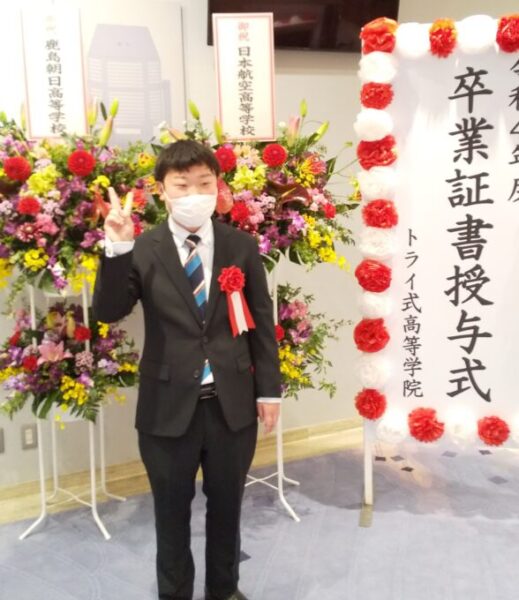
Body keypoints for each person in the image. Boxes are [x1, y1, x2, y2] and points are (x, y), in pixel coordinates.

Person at [92, 140, 282, 600]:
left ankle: (225, 589)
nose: (194, 193)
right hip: (166, 408)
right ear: (162, 191)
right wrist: (117, 247)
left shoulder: (240, 245)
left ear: (218, 186)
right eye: (182, 185)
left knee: (228, 508)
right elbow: (108, 311)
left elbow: (261, 321)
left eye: (204, 183)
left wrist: (269, 391)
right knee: (171, 512)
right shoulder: (142, 248)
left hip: (231, 406)